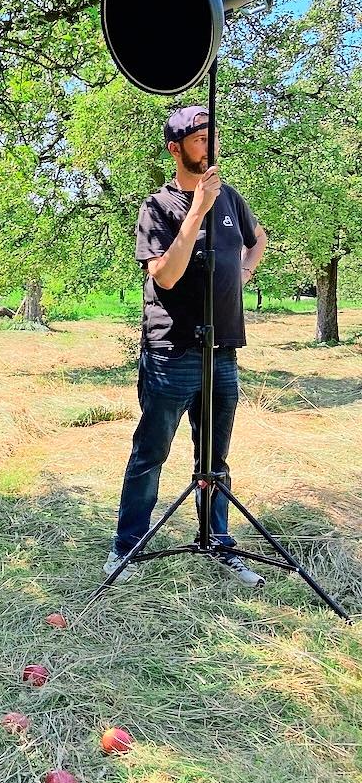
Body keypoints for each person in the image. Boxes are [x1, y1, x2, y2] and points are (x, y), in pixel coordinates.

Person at [105, 104, 268, 585]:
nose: (210, 146)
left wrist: (244, 272)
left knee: (214, 460)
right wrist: (198, 209)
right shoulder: (157, 207)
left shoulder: (231, 198)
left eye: (213, 136)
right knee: (150, 454)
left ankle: (217, 542)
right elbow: (166, 276)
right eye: (200, 139)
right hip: (171, 353)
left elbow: (257, 239)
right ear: (176, 149)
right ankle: (126, 548)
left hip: (223, 351)